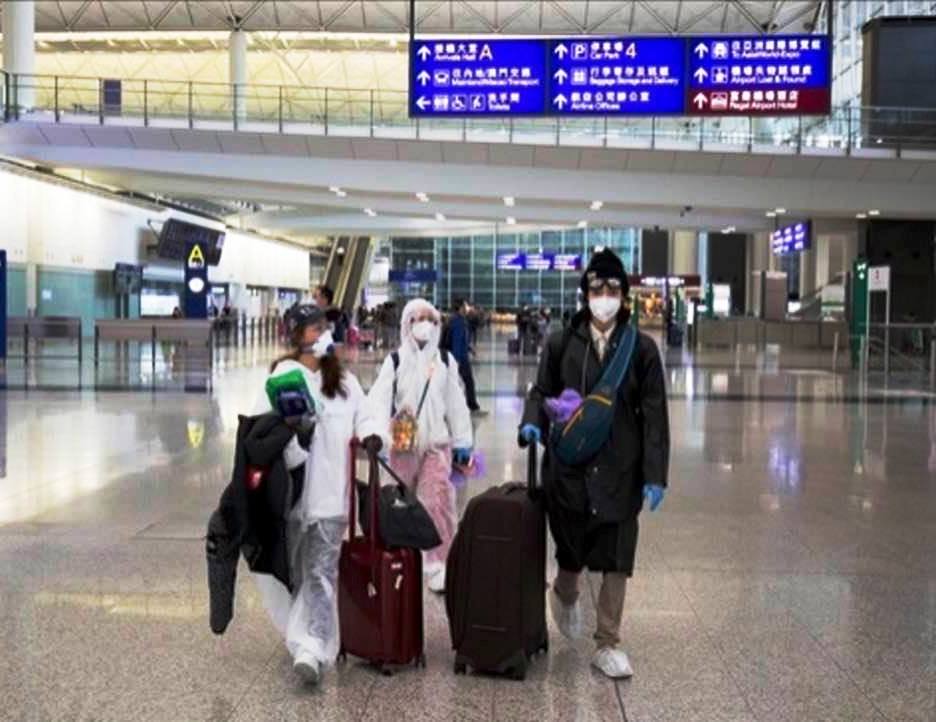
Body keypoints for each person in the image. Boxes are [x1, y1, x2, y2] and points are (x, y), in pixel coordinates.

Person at [518, 248, 669, 680]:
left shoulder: (641, 349)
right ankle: (564, 591)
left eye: (613, 288)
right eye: (597, 287)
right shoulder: (562, 343)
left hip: (621, 467)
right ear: (585, 293)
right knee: (572, 551)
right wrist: (532, 423)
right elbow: (540, 392)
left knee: (617, 555)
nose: (605, 295)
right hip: (570, 470)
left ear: (624, 294)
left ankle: (608, 642)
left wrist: (655, 474)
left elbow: (654, 415)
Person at [253, 303, 385, 687]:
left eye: (323, 326)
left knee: (321, 572)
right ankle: (302, 636)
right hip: (291, 498)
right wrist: (294, 431)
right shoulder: (283, 376)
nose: (321, 333)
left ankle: (313, 647)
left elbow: (367, 415)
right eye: (312, 328)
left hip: (330, 496)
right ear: (296, 336)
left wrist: (373, 435)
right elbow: (259, 432)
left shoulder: (344, 381)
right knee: (294, 574)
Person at [368, 298, 473, 593]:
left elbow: (456, 403)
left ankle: (438, 563)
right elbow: (379, 400)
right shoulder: (395, 361)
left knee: (437, 499)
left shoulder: (445, 361)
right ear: (407, 323)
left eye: (431, 318)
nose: (425, 324)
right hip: (402, 441)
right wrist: (377, 434)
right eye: (418, 318)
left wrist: (463, 439)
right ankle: (399, 555)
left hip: (436, 443)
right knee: (398, 501)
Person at [445, 299, 484, 415]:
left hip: (458, 356)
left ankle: (453, 406)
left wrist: (470, 349)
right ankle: (472, 406)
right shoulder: (458, 322)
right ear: (461, 308)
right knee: (468, 382)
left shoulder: (455, 319)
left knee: (454, 382)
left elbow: (461, 340)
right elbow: (457, 342)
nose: (467, 308)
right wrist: (457, 360)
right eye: (465, 306)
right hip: (461, 358)